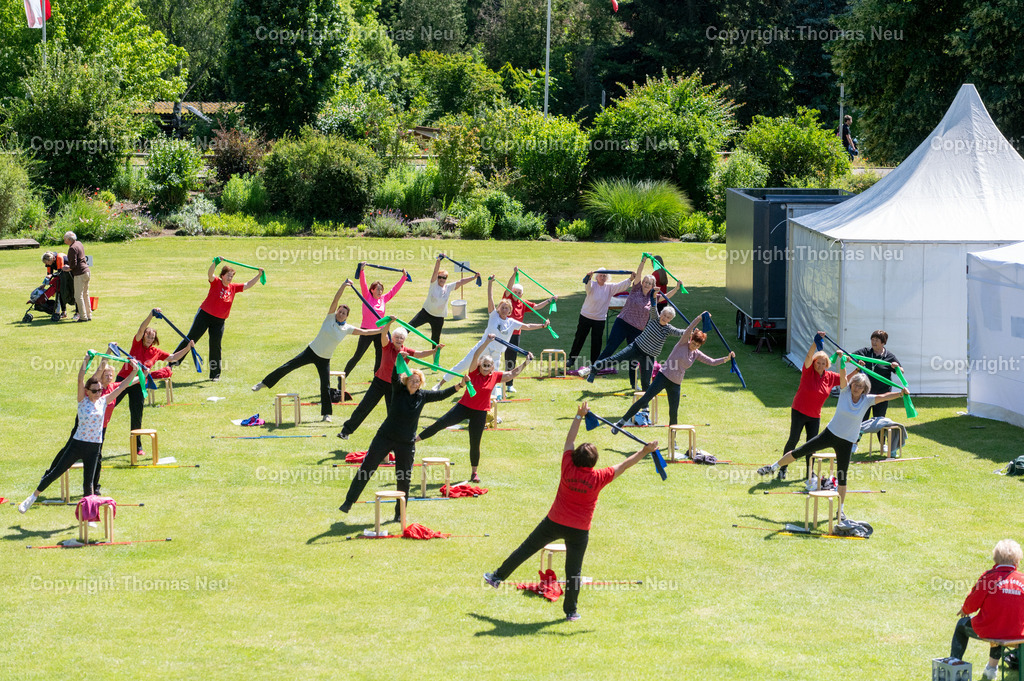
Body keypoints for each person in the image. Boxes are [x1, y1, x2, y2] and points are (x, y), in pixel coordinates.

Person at [483, 402, 659, 622]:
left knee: (526, 549)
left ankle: (497, 577)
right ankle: (571, 612)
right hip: (579, 531)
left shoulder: (567, 464)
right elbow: (624, 465)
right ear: (594, 462)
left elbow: (569, 440)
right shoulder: (599, 477)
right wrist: (645, 450)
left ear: (575, 456)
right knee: (573, 572)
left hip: (554, 521)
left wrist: (578, 416)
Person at [757, 358, 908, 525]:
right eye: (855, 384)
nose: (856, 388)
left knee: (842, 477)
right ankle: (773, 467)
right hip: (830, 434)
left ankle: (840, 510)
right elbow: (843, 375)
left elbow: (884, 396)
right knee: (801, 451)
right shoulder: (844, 392)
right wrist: (843, 362)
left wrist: (901, 393)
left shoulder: (867, 400)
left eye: (860, 386)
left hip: (847, 442)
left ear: (865, 389)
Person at [19, 353, 140, 512]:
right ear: (87, 391)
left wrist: (134, 371)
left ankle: (89, 514)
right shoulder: (82, 400)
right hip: (77, 444)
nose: (98, 393)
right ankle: (32, 497)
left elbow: (123, 385)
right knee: (56, 472)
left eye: (99, 390)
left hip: (94, 447)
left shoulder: (104, 401)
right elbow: (80, 377)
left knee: (88, 483)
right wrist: (86, 360)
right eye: (95, 390)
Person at [252, 280, 388, 422]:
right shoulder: (330, 317)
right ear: (336, 312)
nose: (341, 314)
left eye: (344, 313)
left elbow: (364, 332)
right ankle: (264, 383)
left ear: (347, 316)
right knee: (288, 366)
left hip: (325, 359)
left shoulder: (347, 328)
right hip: (311, 351)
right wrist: (343, 286)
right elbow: (336, 299)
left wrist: (381, 330)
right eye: (340, 311)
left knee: (325, 385)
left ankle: (326, 414)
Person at [338, 368, 462, 519]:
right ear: (405, 381)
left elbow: (441, 395)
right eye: (411, 381)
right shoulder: (397, 390)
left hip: (406, 443)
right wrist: (398, 362)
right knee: (367, 467)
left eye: (417, 381)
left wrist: (460, 385)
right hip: (385, 437)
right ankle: (348, 502)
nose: (414, 384)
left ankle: (399, 514)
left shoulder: (423, 396)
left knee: (404, 479)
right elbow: (393, 375)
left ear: (421, 383)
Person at [416, 335, 533, 483]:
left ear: (492, 367)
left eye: (488, 366)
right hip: (463, 407)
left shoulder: (495, 376)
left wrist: (525, 363)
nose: (485, 368)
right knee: (440, 423)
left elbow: (511, 374)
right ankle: (414, 440)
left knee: (475, 442)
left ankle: (474, 473)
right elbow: (477, 354)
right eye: (483, 365)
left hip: (480, 412)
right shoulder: (473, 372)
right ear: (479, 365)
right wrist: (487, 342)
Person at [609, 312, 733, 432]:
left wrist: (726, 359)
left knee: (673, 413)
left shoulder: (696, 354)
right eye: (693, 343)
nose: (694, 346)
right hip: (663, 377)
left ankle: (673, 442)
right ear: (690, 339)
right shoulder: (683, 343)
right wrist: (700, 317)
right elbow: (690, 328)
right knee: (645, 399)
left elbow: (711, 361)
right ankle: (621, 422)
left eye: (697, 346)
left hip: (676, 384)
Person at [435, 276, 549, 395]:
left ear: (510, 311)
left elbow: (528, 326)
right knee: (463, 365)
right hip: (482, 349)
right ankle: (440, 384)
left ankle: (491, 400)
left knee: (494, 377)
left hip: (496, 354)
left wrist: (542, 325)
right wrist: (490, 284)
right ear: (499, 308)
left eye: (507, 308)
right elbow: (490, 298)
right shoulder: (494, 315)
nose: (504, 310)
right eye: (502, 307)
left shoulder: (511, 322)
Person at [590, 257, 679, 389]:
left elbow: (667, 296)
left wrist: (677, 287)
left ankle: (633, 383)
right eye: (645, 282)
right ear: (642, 282)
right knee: (611, 347)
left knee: (634, 358)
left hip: (637, 329)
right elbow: (639, 272)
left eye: (650, 283)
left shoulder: (653, 298)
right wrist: (643, 261)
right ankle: (594, 370)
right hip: (622, 323)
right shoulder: (636, 288)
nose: (647, 284)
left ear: (653, 286)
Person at [336, 327, 439, 440]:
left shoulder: (406, 352)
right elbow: (383, 333)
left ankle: (395, 439)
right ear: (393, 338)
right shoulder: (387, 346)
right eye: (396, 337)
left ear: (404, 340)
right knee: (364, 407)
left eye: (401, 338)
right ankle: (345, 431)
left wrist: (434, 350)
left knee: (393, 413)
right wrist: (389, 323)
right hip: (379, 382)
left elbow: (420, 354)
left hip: (394, 386)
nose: (399, 340)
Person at [120, 309, 196, 458]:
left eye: (151, 337)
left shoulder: (156, 352)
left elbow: (173, 357)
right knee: (107, 406)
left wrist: (188, 348)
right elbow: (141, 328)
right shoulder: (137, 344)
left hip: (138, 384)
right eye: (147, 336)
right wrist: (151, 314)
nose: (148, 338)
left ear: (155, 338)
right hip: (123, 379)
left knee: (137, 416)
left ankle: (138, 447)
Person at [171, 259, 263, 381]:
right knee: (191, 339)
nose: (230, 278)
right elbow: (210, 274)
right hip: (204, 316)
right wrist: (215, 263)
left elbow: (247, 285)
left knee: (215, 346)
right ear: (222, 276)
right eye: (228, 275)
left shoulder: (233, 288)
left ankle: (215, 375)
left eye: (232, 276)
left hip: (219, 321)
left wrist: (259, 275)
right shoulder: (216, 282)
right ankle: (171, 364)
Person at [949, 539, 1024, 680]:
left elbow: (972, 604)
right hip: (1018, 633)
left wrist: (965, 610)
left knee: (962, 625)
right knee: (1001, 624)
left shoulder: (989, 578)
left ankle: (953, 666)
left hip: (993, 630)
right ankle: (991, 668)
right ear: (1017, 560)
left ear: (995, 558)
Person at [777, 332, 841, 481]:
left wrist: (857, 369)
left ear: (827, 365)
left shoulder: (830, 377)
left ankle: (810, 472)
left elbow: (845, 380)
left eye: (823, 363)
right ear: (814, 363)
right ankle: (783, 468)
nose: (819, 365)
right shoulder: (808, 371)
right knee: (793, 440)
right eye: (817, 362)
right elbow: (808, 357)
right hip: (799, 410)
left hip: (814, 416)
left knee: (811, 444)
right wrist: (815, 342)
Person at [579, 303, 685, 392]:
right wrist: (653, 292)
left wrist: (692, 332)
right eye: (664, 315)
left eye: (668, 317)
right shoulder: (654, 318)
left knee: (646, 382)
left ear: (670, 320)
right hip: (636, 348)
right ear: (661, 313)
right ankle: (593, 370)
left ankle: (644, 407)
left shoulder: (668, 329)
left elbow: (681, 332)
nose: (665, 318)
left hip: (649, 357)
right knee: (614, 359)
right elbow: (653, 303)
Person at [342, 263, 407, 382]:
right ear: (372, 290)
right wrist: (362, 271)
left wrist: (404, 277)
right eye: (378, 289)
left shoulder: (383, 299)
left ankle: (376, 379)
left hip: (380, 332)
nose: (380, 291)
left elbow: (394, 290)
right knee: (358, 356)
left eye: (381, 289)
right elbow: (363, 283)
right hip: (366, 331)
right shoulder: (367, 296)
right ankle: (342, 377)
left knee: (380, 357)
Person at [567, 268, 634, 370]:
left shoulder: (610, 287)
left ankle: (594, 364)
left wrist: (630, 279)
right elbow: (588, 287)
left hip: (599, 319)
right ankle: (571, 359)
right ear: (596, 277)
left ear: (607, 277)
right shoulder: (592, 284)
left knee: (596, 342)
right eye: (600, 275)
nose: (602, 277)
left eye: (604, 276)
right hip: (586, 316)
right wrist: (588, 278)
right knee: (579, 338)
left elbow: (621, 286)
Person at [502, 268, 555, 394]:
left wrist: (549, 300)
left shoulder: (522, 303)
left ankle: (509, 384)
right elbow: (508, 287)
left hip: (515, 335)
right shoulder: (508, 298)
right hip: (503, 332)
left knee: (511, 359)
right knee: (496, 355)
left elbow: (536, 307)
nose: (517, 294)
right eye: (516, 292)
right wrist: (514, 274)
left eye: (520, 293)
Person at [851, 330, 901, 451]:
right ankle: (854, 443)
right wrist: (858, 362)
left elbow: (901, 370)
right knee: (862, 417)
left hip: (882, 394)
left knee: (879, 419)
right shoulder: (866, 352)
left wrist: (896, 366)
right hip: (866, 393)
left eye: (877, 340)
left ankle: (883, 444)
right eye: (872, 339)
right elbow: (851, 356)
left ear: (883, 342)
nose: (873, 342)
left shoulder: (889, 356)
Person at [408, 256, 477, 345]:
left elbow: (461, 282)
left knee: (435, 341)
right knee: (409, 327)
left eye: (444, 278)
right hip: (426, 313)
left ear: (446, 279)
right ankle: (395, 344)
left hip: (438, 318)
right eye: (440, 277)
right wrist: (438, 261)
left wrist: (473, 277)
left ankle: (435, 359)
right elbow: (435, 272)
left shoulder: (448, 287)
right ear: (437, 278)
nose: (441, 279)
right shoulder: (433, 284)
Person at [64, 231, 91, 322]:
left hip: (80, 274)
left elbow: (73, 265)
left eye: (65, 240)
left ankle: (83, 317)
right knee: (85, 294)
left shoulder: (72, 248)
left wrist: (67, 268)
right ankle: (89, 314)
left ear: (69, 239)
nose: (64, 242)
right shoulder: (79, 243)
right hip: (86, 271)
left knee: (78, 296)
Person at [41, 251, 73, 318]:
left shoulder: (59, 257)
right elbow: (49, 274)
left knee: (72, 292)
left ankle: (77, 312)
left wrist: (52, 275)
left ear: (52, 259)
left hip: (71, 274)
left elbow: (60, 272)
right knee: (60, 292)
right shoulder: (49, 263)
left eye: (47, 263)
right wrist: (44, 284)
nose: (47, 264)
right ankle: (64, 312)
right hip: (63, 274)